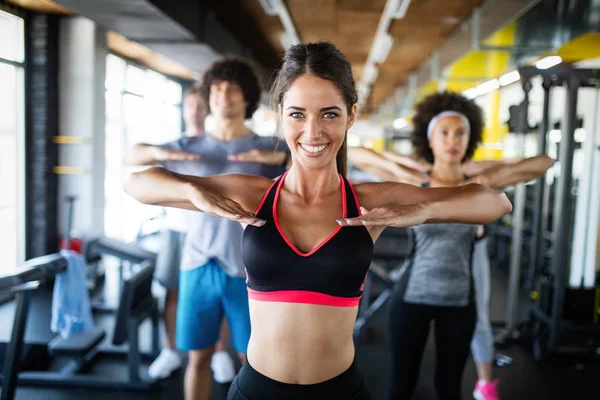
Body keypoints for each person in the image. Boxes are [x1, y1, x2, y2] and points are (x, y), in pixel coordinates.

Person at [123, 42, 512, 400]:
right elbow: (136, 182)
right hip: (256, 391)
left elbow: (495, 203)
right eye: (297, 114)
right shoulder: (254, 195)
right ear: (281, 116)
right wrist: (193, 192)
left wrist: (425, 210)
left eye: (329, 114)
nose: (313, 132)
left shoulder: (368, 201)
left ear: (350, 116)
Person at [366, 91, 552, 400]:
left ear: (470, 139)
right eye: (445, 133)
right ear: (431, 139)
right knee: (401, 385)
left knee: (449, 388)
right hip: (411, 298)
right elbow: (357, 153)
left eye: (460, 133)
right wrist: (403, 166)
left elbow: (545, 161)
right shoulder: (414, 184)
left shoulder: (480, 187)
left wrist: (488, 168)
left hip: (460, 302)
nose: (453, 140)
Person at [126, 57, 289, 398]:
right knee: (197, 358)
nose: (223, 95)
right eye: (217, 88)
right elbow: (132, 158)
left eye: (232, 88)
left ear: (247, 97)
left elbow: (312, 169)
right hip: (197, 263)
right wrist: (164, 152)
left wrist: (287, 158)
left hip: (250, 268)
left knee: (254, 361)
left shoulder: (269, 148)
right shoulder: (188, 147)